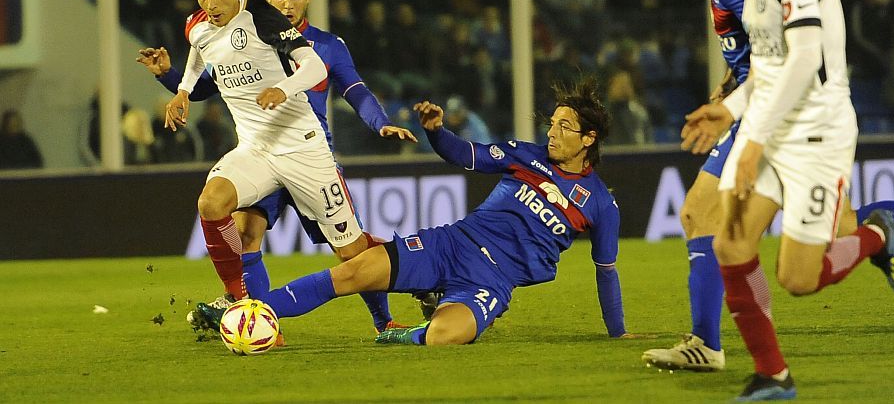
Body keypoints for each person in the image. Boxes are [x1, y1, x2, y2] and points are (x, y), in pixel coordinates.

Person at [673, 0, 894, 399]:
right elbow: (772, 69)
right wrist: (730, 110)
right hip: (771, 129)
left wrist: (750, 143)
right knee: (730, 242)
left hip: (819, 135)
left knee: (799, 279)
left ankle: (874, 235)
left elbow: (804, 59)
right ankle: (773, 374)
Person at [199, 79, 630, 346]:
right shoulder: (526, 156)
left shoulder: (600, 204)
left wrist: (618, 333)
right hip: (451, 244)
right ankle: (250, 312)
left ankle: (408, 332)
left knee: (446, 336)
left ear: (588, 139)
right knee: (351, 273)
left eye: (563, 128)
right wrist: (437, 132)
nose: (552, 133)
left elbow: (605, 270)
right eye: (551, 123)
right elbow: (465, 155)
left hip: (493, 281)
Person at [156, 0, 416, 335]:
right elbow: (205, 65)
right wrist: (177, 87)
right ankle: (246, 311)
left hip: (306, 152)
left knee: (352, 251)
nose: (287, 4)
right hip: (257, 151)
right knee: (221, 212)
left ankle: (394, 309)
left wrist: (379, 123)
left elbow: (348, 86)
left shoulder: (295, 34)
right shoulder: (203, 24)